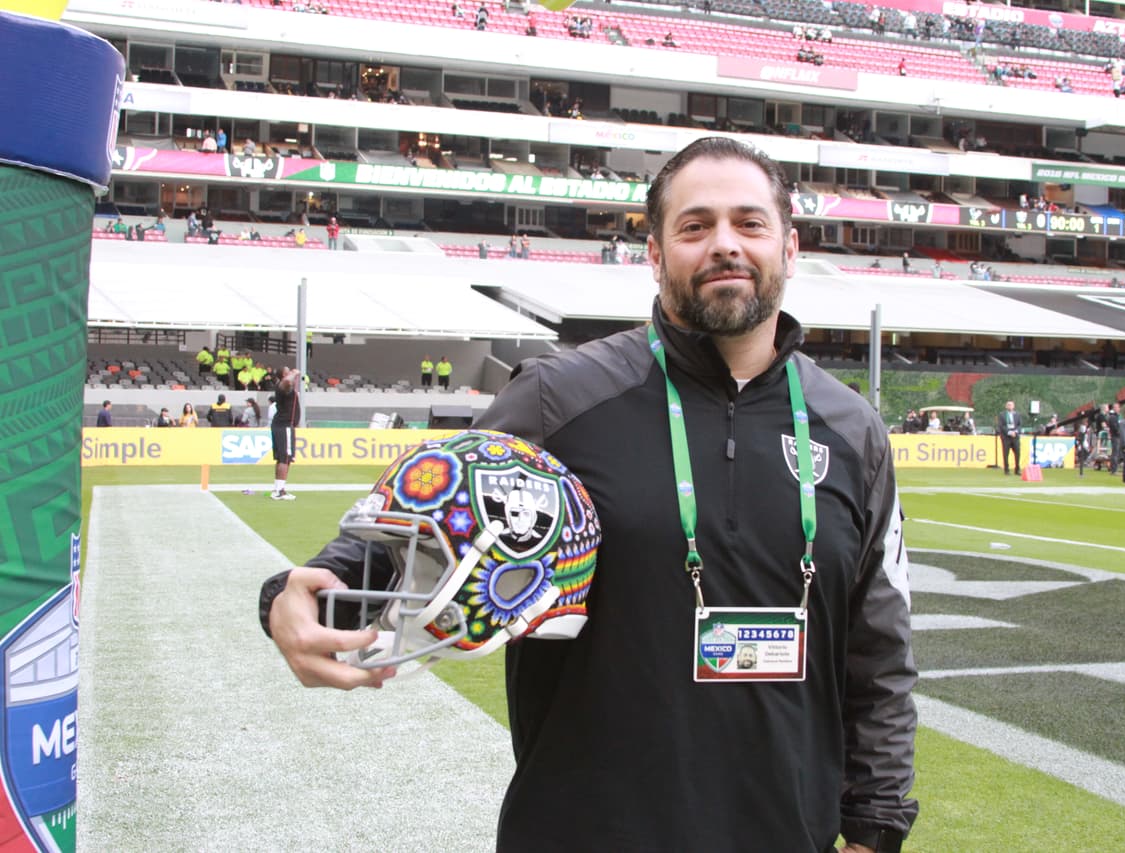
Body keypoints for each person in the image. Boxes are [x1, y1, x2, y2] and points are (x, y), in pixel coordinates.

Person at [257, 136, 917, 852]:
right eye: (695, 226)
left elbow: (877, 648)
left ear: (790, 247)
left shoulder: (853, 431)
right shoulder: (559, 397)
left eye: (749, 223)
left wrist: (875, 825)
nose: (724, 244)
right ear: (657, 255)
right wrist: (297, 596)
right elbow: (428, 509)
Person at [270, 367, 302, 500]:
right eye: (287, 371)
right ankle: (280, 491)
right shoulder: (283, 385)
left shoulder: (286, 388)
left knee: (282, 458)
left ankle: (278, 488)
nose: (291, 373)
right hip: (284, 425)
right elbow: (287, 383)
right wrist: (294, 374)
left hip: (282, 425)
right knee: (285, 458)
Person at [998, 400, 1021, 475]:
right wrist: (1010, 432)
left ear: (1013, 406)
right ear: (1006, 406)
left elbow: (1019, 425)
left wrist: (1015, 432)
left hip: (1015, 437)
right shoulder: (1002, 414)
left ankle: (1017, 469)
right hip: (1006, 437)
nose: (1009, 406)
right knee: (1005, 454)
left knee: (1017, 453)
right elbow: (1002, 426)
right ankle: (1006, 470)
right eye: (1008, 405)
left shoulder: (1017, 414)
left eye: (1011, 405)